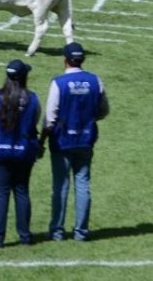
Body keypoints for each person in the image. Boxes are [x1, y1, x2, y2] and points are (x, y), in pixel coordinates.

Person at [41, 42, 109, 242]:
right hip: (86, 139)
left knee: (60, 186)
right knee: (83, 185)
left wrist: (42, 140)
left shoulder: (58, 83)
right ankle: (81, 231)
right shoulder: (95, 80)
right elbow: (103, 110)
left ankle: (57, 231)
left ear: (65, 60)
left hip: (62, 141)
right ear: (83, 59)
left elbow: (50, 118)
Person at [0, 59, 42, 249]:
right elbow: (35, 120)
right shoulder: (33, 98)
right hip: (24, 151)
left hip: (0, 150)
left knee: (1, 194)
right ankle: (25, 236)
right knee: (22, 191)